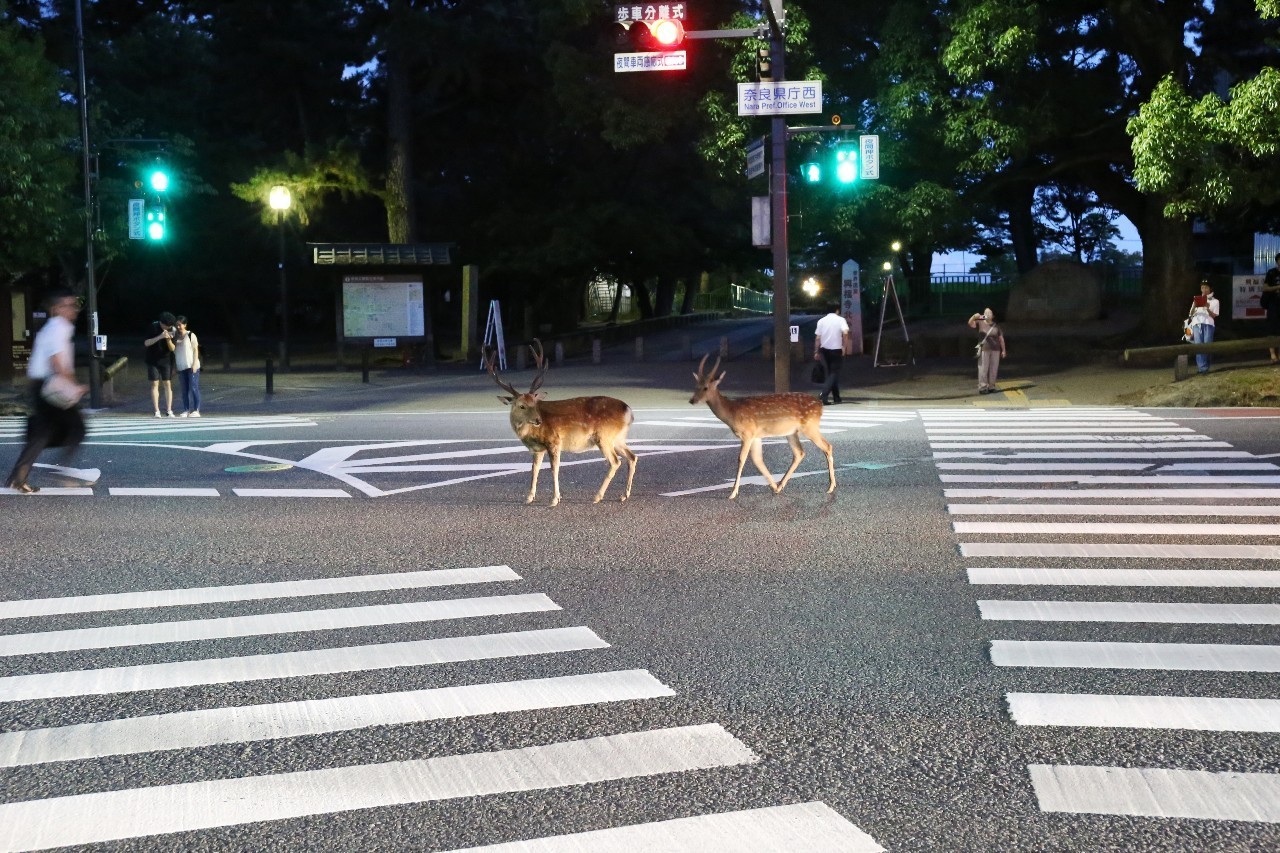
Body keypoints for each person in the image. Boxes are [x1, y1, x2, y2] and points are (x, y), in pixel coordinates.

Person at [6, 289, 90, 494]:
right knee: (76, 429)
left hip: (42, 386)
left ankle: (19, 476)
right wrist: (73, 386)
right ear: (57, 308)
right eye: (69, 305)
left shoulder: (54, 327)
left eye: (75, 305)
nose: (74, 309)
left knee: (42, 433)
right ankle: (58, 472)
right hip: (50, 386)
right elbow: (57, 361)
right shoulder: (59, 327)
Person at [813, 303, 852, 405]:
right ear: (837, 310)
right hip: (836, 349)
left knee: (830, 373)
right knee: (834, 373)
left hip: (824, 350)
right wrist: (844, 346)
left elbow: (817, 338)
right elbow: (846, 333)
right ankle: (823, 394)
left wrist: (816, 351)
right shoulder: (840, 320)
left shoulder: (821, 321)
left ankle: (836, 397)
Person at [144, 311, 177, 416]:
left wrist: (168, 340)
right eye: (166, 326)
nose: (167, 328)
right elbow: (146, 343)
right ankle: (156, 410)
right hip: (152, 359)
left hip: (166, 360)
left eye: (169, 326)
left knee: (167, 383)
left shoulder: (173, 329)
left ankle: (169, 410)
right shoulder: (153, 327)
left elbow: (172, 349)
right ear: (161, 323)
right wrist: (160, 337)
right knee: (154, 383)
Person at [968, 307, 1007, 395]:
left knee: (994, 368)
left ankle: (992, 386)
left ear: (993, 316)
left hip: (996, 350)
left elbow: (1001, 339)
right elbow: (970, 323)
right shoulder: (980, 322)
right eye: (985, 312)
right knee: (983, 368)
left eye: (989, 313)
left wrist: (1003, 350)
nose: (987, 314)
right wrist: (974, 316)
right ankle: (982, 387)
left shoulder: (996, 325)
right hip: (984, 349)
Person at [1187, 280, 1220, 374]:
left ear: (1210, 289)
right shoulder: (1197, 299)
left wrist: (1207, 308)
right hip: (1197, 324)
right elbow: (1191, 314)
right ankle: (1202, 368)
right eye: (1202, 287)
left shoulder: (1215, 301)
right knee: (1198, 346)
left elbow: (1214, 315)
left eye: (1206, 287)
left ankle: (1206, 366)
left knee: (1207, 346)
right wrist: (1194, 306)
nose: (1204, 289)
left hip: (1208, 324)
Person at [173, 315, 202, 417]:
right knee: (184, 389)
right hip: (181, 366)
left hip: (191, 366)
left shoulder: (190, 335)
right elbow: (173, 351)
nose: (178, 327)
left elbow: (195, 350)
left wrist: (194, 364)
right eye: (177, 325)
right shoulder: (175, 336)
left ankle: (196, 410)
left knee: (193, 387)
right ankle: (186, 410)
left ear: (185, 325)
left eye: (180, 325)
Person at [1262, 254, 1280, 364]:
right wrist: (1277, 287)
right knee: (1272, 330)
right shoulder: (1271, 273)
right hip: (1273, 305)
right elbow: (1265, 287)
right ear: (1277, 261)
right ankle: (1273, 354)